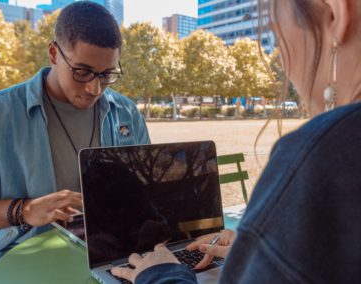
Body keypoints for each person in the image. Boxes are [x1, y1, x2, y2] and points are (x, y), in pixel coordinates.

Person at [111, 0, 361, 283]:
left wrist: (160, 275)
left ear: (336, 12)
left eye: (278, 35)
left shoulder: (323, 155)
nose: (282, 62)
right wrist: (260, 254)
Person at [0, 2, 150, 283]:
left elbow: (144, 193)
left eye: (107, 75)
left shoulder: (125, 113)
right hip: (14, 260)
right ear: (53, 53)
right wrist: (24, 210)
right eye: (82, 72)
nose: (94, 89)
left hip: (114, 255)